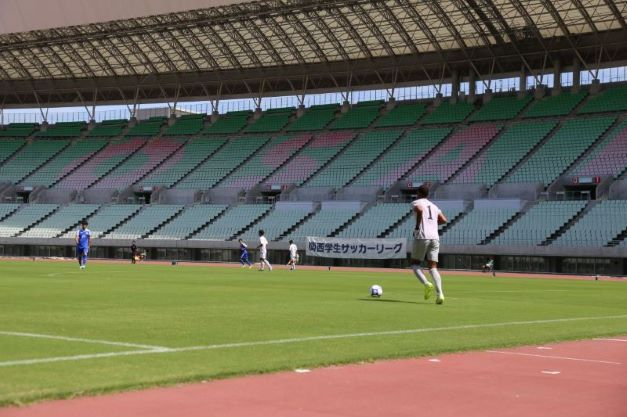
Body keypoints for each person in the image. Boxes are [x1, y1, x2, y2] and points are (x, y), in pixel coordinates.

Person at [410, 185, 448, 304]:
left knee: (415, 264)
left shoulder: (416, 202)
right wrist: (431, 222)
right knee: (433, 267)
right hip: (434, 237)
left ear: (418, 193)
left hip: (422, 236)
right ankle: (440, 293)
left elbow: (420, 210)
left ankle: (427, 284)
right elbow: (443, 220)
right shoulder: (434, 206)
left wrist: (417, 226)